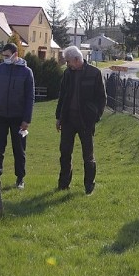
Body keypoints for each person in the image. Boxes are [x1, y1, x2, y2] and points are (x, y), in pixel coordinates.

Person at [55, 45, 107, 195]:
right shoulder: (67, 74)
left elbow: (101, 98)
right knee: (65, 153)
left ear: (77, 59)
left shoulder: (94, 73)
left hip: (86, 121)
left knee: (88, 156)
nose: (67, 64)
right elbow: (62, 96)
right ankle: (63, 184)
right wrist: (58, 118)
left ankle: (89, 186)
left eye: (68, 61)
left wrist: (95, 117)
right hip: (68, 121)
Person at [0, 43, 34, 189]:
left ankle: (20, 178)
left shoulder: (26, 72)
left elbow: (30, 98)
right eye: (3, 56)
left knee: (19, 150)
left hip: (18, 118)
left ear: (15, 54)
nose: (5, 58)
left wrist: (26, 119)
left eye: (7, 56)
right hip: (0, 116)